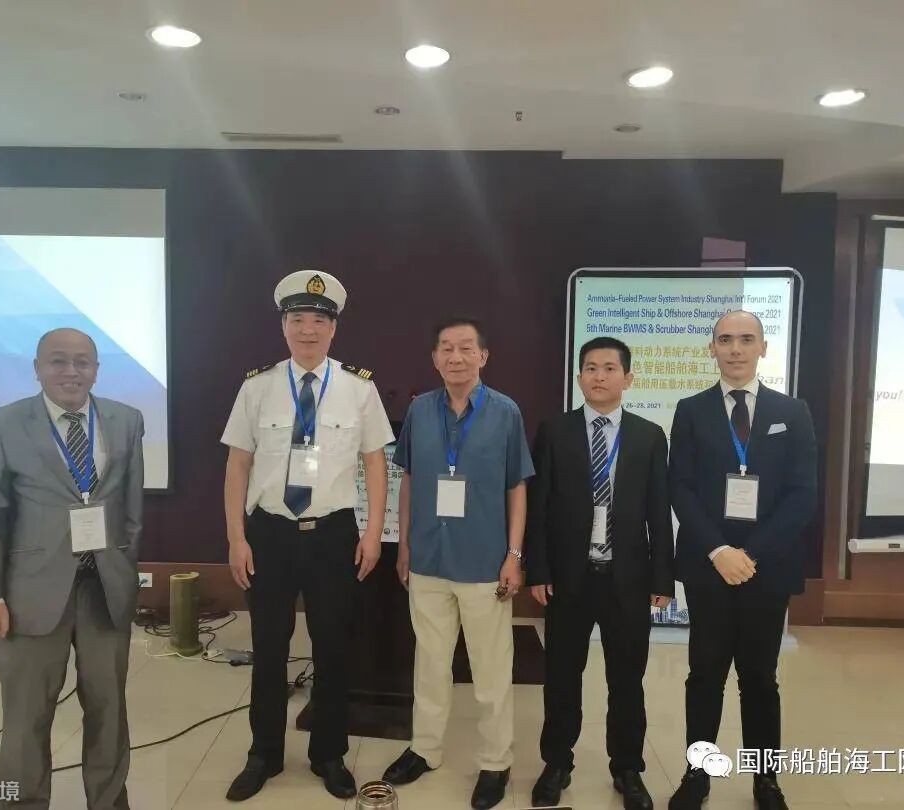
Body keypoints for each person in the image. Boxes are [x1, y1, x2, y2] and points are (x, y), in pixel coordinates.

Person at [220, 270, 393, 802]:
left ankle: (329, 754)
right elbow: (238, 465)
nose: (308, 330)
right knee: (269, 647)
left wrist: (372, 533)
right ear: (283, 325)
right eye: (298, 319)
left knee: (333, 647)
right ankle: (264, 753)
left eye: (319, 320)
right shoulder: (257, 387)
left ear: (334, 328)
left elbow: (376, 463)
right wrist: (236, 538)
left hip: (332, 535)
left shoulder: (360, 389)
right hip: (269, 534)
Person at [0, 328, 145, 810]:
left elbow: (132, 511)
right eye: (59, 361)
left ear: (96, 369)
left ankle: (109, 802)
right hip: (30, 594)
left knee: (109, 710)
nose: (71, 372)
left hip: (105, 591)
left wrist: (125, 572)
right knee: (27, 715)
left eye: (83, 362)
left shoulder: (126, 420)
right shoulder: (3, 424)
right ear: (38, 368)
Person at [381, 316, 534, 810]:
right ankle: (425, 749)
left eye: (466, 348)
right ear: (434, 359)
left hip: (485, 562)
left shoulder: (506, 412)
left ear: (483, 356)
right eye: (446, 348)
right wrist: (404, 545)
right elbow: (408, 480)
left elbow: (516, 486)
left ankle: (495, 761)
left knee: (490, 672)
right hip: (428, 557)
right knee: (429, 663)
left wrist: (514, 555)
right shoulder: (420, 410)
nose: (456, 357)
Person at [667, 311, 817, 810]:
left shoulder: (792, 412)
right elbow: (680, 487)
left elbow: (802, 494)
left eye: (746, 339)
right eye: (725, 339)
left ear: (763, 348)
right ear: (711, 348)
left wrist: (749, 554)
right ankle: (697, 774)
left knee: (760, 679)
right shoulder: (691, 410)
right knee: (704, 675)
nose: (735, 348)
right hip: (709, 565)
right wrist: (719, 551)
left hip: (766, 568)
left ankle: (765, 780)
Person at [525, 336, 674, 809]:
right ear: (579, 377)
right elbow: (539, 506)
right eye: (590, 368)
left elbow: (659, 511)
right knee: (562, 676)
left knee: (626, 679)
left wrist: (662, 579)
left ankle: (627, 768)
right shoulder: (555, 430)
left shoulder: (649, 436)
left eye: (610, 368)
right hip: (569, 578)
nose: (599, 376)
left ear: (628, 378)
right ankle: (557, 762)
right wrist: (538, 569)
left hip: (627, 579)